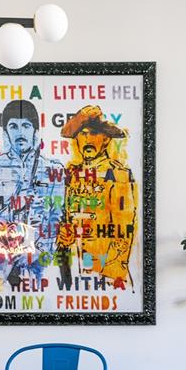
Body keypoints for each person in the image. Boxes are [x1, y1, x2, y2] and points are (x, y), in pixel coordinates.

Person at [0, 99, 64, 284]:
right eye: (13, 126)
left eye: (26, 125)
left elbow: (55, 218)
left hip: (39, 265)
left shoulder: (53, 169)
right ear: (5, 132)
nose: (20, 132)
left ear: (35, 131)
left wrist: (39, 254)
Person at [59, 104, 137, 286]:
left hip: (108, 277)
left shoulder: (118, 174)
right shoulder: (73, 176)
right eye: (83, 134)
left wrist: (109, 276)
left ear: (105, 140)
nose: (87, 139)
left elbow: (123, 233)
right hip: (79, 271)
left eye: (93, 134)